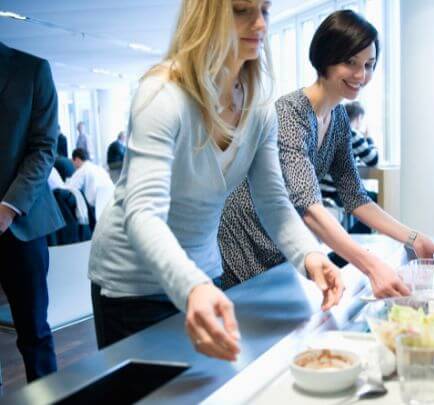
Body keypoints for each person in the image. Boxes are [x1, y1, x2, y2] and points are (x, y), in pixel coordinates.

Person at [88, 0, 343, 362]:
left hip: (204, 275)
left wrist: (311, 255)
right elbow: (143, 212)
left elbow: (272, 200)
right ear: (206, 16)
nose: (258, 24)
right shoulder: (163, 95)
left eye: (265, 10)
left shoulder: (258, 106)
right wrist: (192, 286)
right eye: (241, 10)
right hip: (135, 284)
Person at [219, 10, 434, 298]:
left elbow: (354, 195)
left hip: (283, 243)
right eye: (350, 62)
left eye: (369, 64)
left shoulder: (337, 119)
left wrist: (414, 238)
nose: (361, 75)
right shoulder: (290, 113)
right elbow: (308, 206)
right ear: (326, 58)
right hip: (242, 241)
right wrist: (371, 266)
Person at [0, 41, 64, 382]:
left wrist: (8, 208)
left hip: (20, 223)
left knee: (33, 332)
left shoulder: (32, 69)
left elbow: (43, 148)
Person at [319, 101, 378, 205]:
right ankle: (356, 221)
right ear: (359, 118)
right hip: (338, 193)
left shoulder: (330, 130)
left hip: (321, 191)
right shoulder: (352, 133)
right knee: (377, 198)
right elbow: (373, 160)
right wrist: (369, 138)